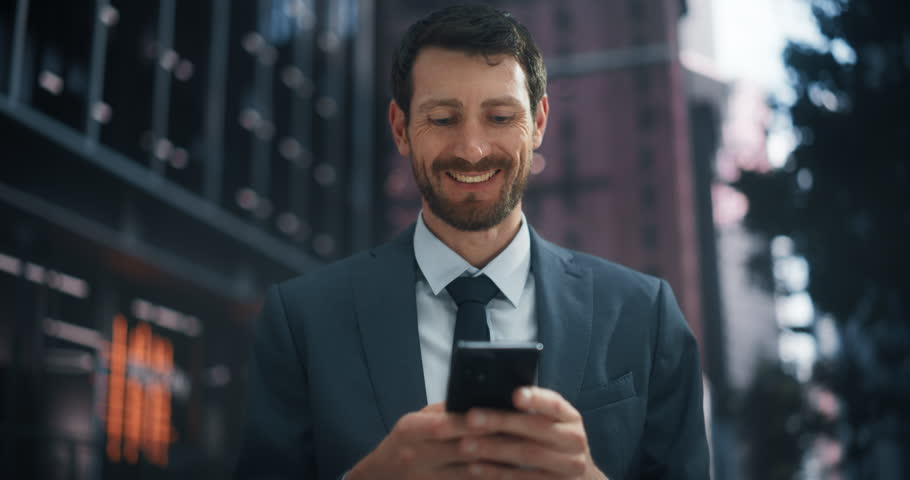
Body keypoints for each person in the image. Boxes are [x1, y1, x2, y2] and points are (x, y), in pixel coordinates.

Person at [234, 4, 709, 480]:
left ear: (539, 122)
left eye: (500, 116)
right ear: (400, 129)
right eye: (442, 119)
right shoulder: (301, 322)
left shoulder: (647, 317)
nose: (472, 149)